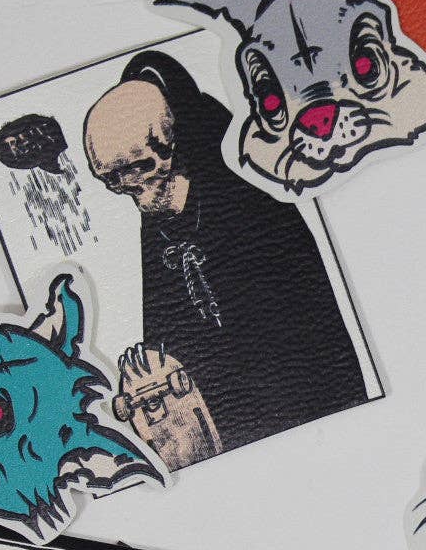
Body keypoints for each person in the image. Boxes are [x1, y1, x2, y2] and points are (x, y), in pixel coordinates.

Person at [82, 50, 367, 461]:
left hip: (307, 408)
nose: (130, 189)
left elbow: (298, 328)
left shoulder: (249, 204)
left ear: (176, 147)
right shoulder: (157, 226)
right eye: (112, 180)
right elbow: (170, 333)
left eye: (139, 168)